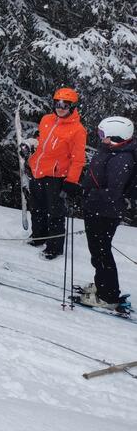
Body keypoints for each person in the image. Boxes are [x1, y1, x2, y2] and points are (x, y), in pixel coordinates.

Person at [76, 117, 134, 310]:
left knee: (101, 252)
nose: (100, 138)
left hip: (105, 211)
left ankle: (108, 295)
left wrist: (86, 193)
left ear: (115, 136)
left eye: (103, 135)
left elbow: (113, 193)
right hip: (96, 208)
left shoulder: (122, 159)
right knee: (98, 251)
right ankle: (103, 285)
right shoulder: (112, 150)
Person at [22, 87, 87, 259]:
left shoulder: (77, 130)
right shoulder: (46, 120)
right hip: (38, 170)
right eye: (57, 103)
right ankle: (39, 236)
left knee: (55, 213)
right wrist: (29, 146)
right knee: (36, 207)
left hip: (57, 177)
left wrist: (71, 181)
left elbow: (78, 159)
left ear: (72, 107)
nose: (60, 107)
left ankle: (54, 247)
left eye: (65, 104)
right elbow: (41, 141)